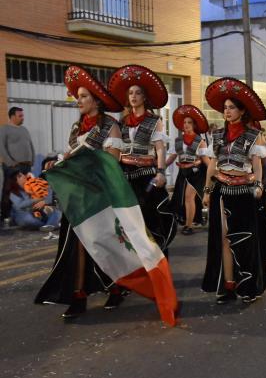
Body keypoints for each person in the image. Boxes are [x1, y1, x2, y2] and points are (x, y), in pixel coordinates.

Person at [35, 65, 125, 318]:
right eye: (78, 96)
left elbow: (113, 163)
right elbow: (69, 155)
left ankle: (116, 288)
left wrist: (88, 168)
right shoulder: (76, 128)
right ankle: (78, 295)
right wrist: (57, 163)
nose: (78, 100)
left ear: (96, 100)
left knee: (105, 244)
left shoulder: (110, 127)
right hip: (77, 196)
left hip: (101, 196)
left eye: (84, 96)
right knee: (76, 245)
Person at [201, 77, 266, 304]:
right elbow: (212, 164)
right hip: (221, 189)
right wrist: (207, 190)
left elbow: (257, 164)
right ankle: (229, 285)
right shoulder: (218, 135)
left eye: (231, 107)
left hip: (243, 192)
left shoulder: (253, 135)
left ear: (242, 111)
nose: (227, 111)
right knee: (223, 239)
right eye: (225, 108)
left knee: (243, 239)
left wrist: (259, 185)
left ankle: (248, 285)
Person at [108, 64, 177, 254]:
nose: (133, 96)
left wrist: (161, 172)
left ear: (144, 97)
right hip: (124, 176)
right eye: (130, 92)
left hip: (146, 175)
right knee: (126, 225)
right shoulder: (121, 123)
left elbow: (160, 150)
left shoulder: (155, 121)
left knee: (149, 221)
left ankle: (155, 265)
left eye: (138, 93)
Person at [166, 105, 210, 235]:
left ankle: (189, 226)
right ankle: (192, 221)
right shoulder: (178, 140)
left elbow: (206, 160)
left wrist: (214, 174)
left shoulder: (200, 141)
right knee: (185, 198)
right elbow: (172, 158)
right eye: (184, 122)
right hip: (183, 173)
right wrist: (160, 168)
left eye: (189, 122)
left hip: (197, 173)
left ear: (194, 125)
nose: (186, 125)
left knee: (190, 197)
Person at [0, 106, 36, 218]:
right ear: (12, 116)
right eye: (20, 116)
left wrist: (32, 160)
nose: (22, 118)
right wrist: (11, 163)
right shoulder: (4, 129)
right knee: (9, 192)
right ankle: (5, 216)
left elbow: (30, 145)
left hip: (26, 166)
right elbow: (1, 147)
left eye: (23, 116)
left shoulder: (24, 129)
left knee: (26, 192)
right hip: (13, 167)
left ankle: (24, 215)